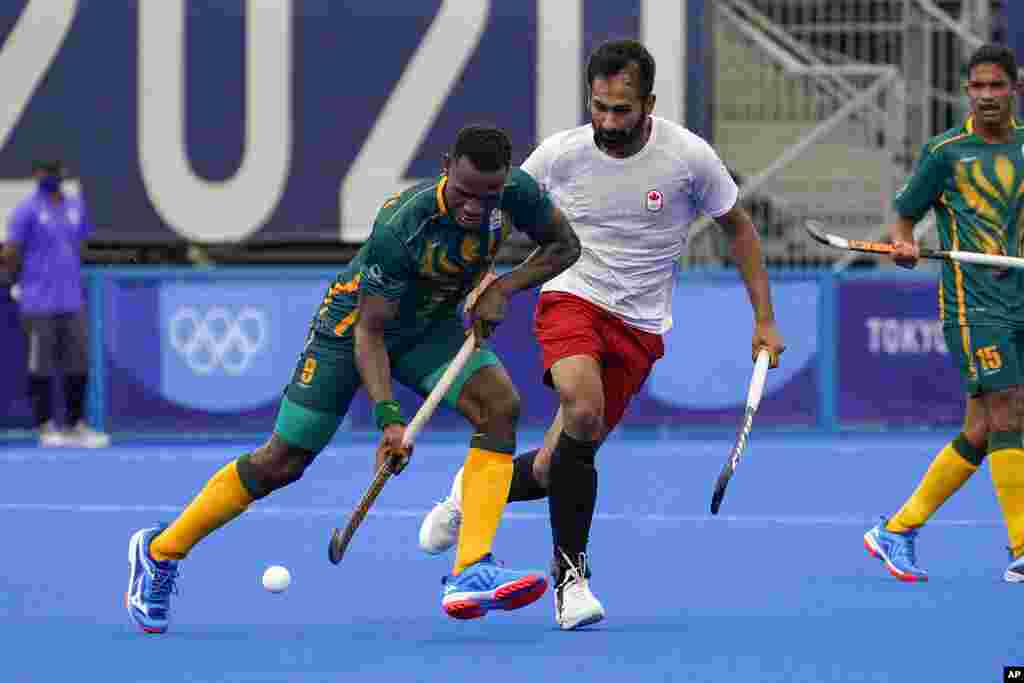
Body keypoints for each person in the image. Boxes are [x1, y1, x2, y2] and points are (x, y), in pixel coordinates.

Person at [124, 124, 581, 634]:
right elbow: (370, 332)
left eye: (489, 195)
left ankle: (470, 569)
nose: (476, 207)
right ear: (446, 166)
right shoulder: (402, 224)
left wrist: (506, 287)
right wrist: (390, 419)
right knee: (283, 461)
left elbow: (564, 246)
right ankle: (160, 550)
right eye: (465, 192)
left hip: (430, 328)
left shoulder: (515, 192)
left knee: (499, 407)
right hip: (351, 332)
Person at [418, 40, 786, 629]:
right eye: (599, 107)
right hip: (572, 296)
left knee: (549, 469)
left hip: (639, 327)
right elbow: (499, 205)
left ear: (650, 103)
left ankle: (470, 494)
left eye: (622, 110)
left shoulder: (688, 158)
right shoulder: (560, 155)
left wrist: (763, 318)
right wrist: (487, 273)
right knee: (582, 410)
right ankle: (572, 583)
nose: (609, 123)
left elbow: (738, 228)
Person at [862, 43, 1024, 583]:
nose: (986, 97)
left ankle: (898, 529)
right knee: (1009, 411)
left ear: (1014, 88)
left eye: (996, 85)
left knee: (982, 427)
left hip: (1021, 300)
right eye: (977, 87)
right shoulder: (945, 152)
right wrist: (904, 245)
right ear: (966, 92)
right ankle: (1023, 547)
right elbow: (903, 220)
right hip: (972, 305)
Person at [1, 160, 110, 448]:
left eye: (53, 172)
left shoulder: (75, 206)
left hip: (71, 299)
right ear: (36, 175)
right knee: (41, 365)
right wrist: (15, 280)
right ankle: (46, 426)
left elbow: (81, 243)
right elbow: (11, 249)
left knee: (78, 362)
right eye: (43, 172)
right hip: (37, 301)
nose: (48, 177)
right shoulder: (26, 209)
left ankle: (76, 425)